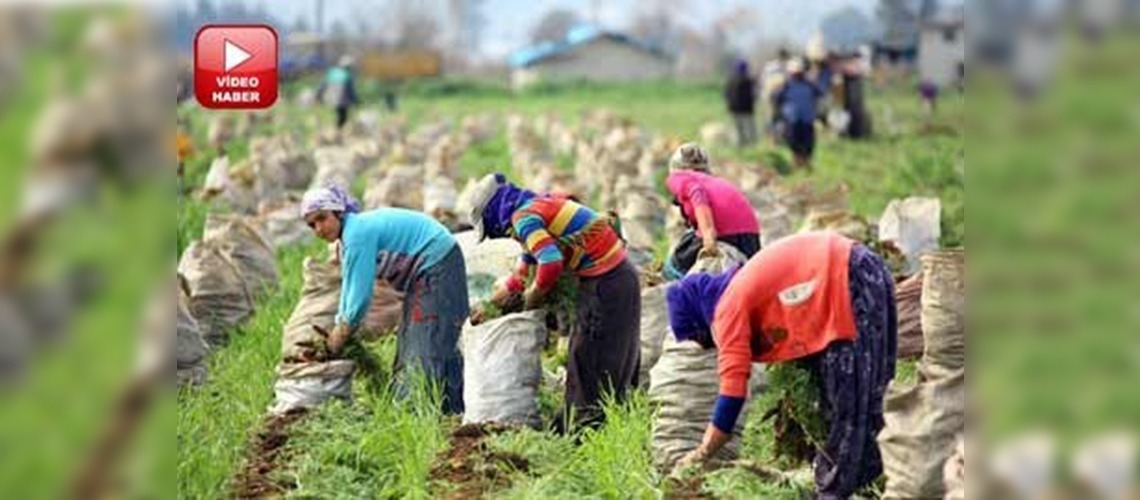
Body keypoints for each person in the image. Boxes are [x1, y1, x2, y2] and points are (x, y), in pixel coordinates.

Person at [666, 231, 897, 499]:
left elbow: (732, 392)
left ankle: (837, 491)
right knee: (865, 399)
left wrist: (702, 452)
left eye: (699, 338)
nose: (708, 345)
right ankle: (871, 481)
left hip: (846, 278)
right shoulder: (737, 289)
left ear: (698, 320)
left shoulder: (726, 309)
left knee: (850, 405)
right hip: (860, 268)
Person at [467, 173, 640, 432]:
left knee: (590, 359)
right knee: (598, 357)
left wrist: (533, 297)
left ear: (494, 212)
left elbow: (550, 262)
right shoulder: (533, 209)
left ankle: (582, 433)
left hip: (607, 283)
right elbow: (522, 273)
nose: (495, 234)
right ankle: (582, 427)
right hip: (617, 277)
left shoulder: (523, 219)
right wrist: (489, 306)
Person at [301, 185, 467, 415]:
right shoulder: (348, 238)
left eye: (322, 218)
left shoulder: (357, 233)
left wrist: (342, 332)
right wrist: (340, 323)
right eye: (312, 225)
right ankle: (420, 405)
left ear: (338, 213)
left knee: (430, 336)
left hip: (437, 261)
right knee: (410, 336)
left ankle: (437, 409)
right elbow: (348, 284)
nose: (319, 228)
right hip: (424, 271)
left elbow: (360, 295)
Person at [662, 143, 761, 280]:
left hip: (726, 235)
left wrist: (708, 235)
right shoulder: (713, 181)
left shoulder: (682, 179)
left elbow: (697, 194)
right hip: (750, 239)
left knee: (675, 266)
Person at [775, 58, 824, 170]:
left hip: (807, 119)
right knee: (793, 143)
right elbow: (776, 97)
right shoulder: (786, 85)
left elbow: (820, 93)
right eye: (795, 73)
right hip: (792, 119)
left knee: (808, 145)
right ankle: (797, 162)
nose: (797, 75)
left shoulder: (809, 85)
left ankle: (805, 163)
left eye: (799, 73)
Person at [317, 56, 359, 132]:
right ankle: (337, 131)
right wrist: (356, 100)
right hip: (342, 101)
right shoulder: (348, 75)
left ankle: (333, 130)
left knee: (335, 115)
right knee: (343, 117)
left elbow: (322, 86)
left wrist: (318, 96)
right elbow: (351, 91)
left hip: (329, 99)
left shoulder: (332, 72)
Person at [723, 60, 758, 148]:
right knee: (749, 129)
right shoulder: (749, 81)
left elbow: (726, 95)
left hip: (734, 110)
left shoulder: (730, 81)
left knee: (737, 130)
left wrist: (729, 106)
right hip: (747, 110)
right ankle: (750, 147)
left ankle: (739, 147)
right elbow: (754, 95)